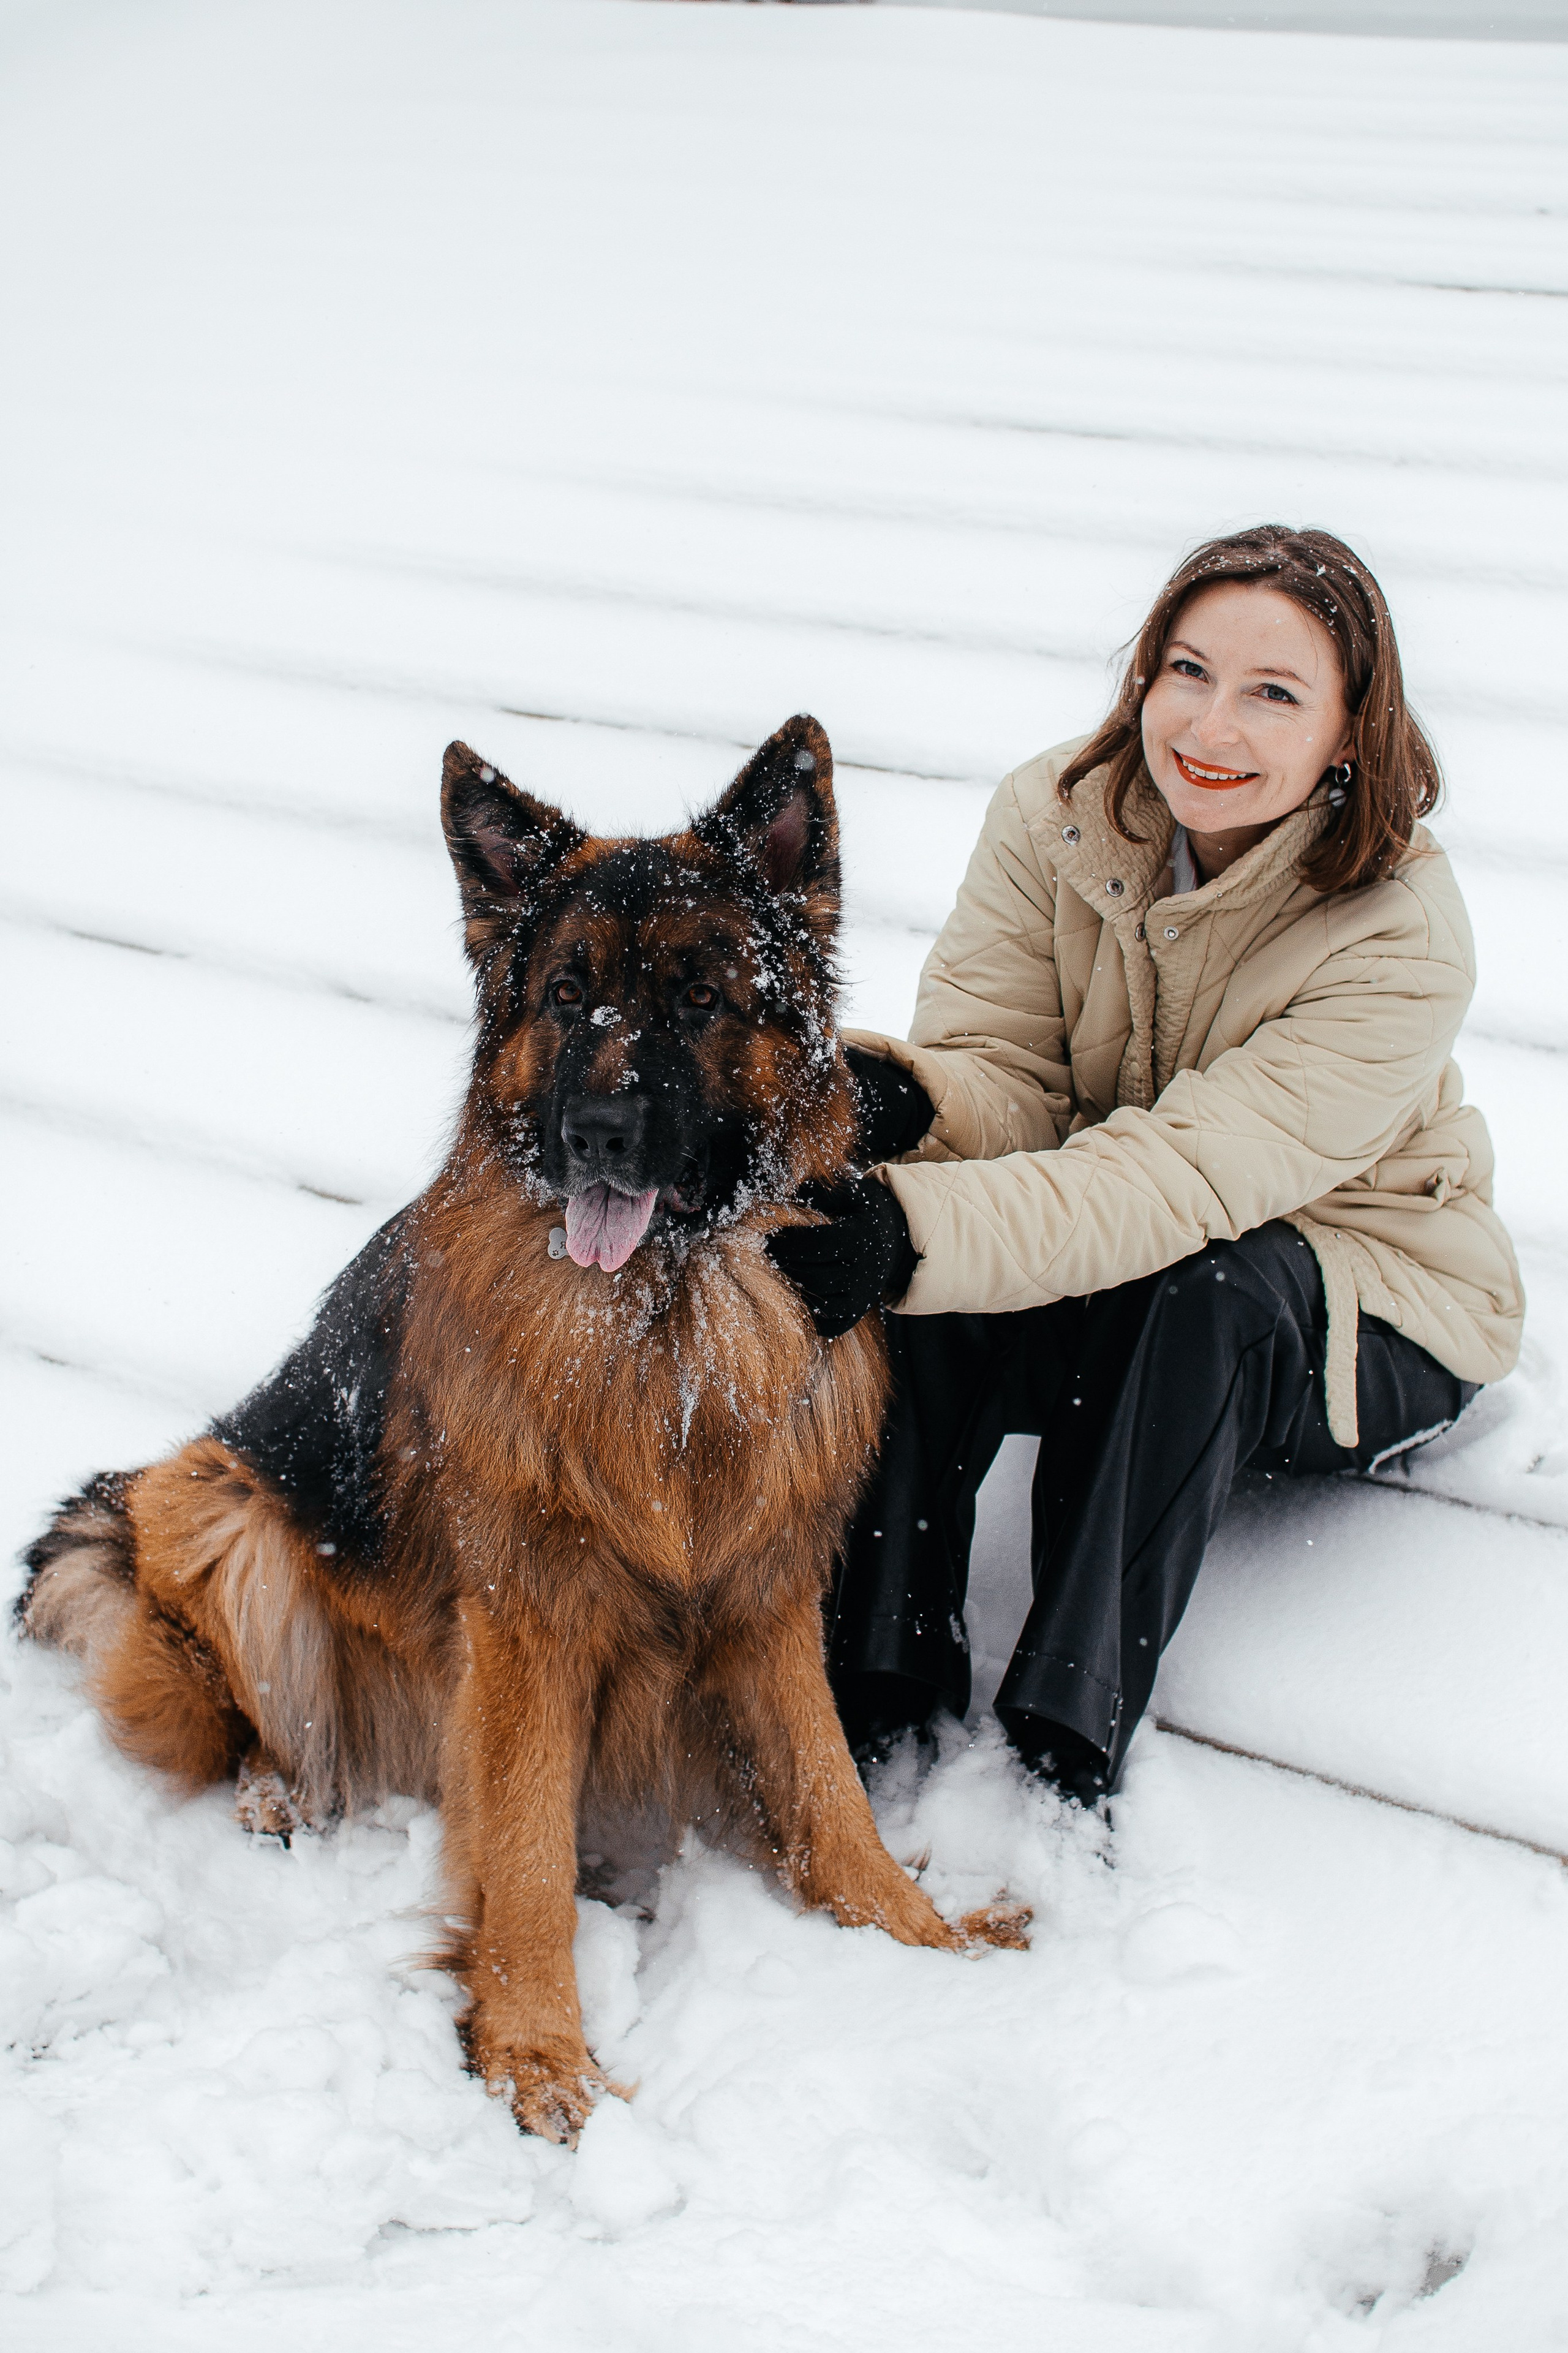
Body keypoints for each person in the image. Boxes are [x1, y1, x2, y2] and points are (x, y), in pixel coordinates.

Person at [766, 525, 1524, 1807]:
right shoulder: (1055, 814)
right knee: (918, 1268)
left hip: (1366, 1303)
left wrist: (906, 1224)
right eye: (1186, 668)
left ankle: (1063, 1732)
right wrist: (900, 1098)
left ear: (1348, 731)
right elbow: (1009, 1077)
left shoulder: (1398, 931)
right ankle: (879, 1669)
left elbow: (1175, 1180)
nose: (1210, 724)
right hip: (1125, 1251)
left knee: (1181, 1284)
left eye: (1272, 693)